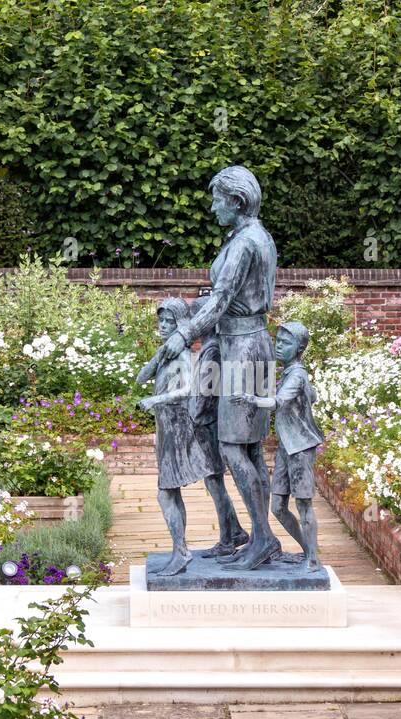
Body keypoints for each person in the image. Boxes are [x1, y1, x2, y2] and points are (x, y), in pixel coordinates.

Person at [157, 165, 281, 571]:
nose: (211, 208)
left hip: (243, 350)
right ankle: (246, 536)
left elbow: (222, 300)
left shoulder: (247, 242)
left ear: (237, 202)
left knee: (233, 445)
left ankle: (262, 538)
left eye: (216, 200)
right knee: (247, 448)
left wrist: (184, 333)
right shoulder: (251, 238)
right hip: (244, 345)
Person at [234, 321, 325, 573]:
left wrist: (251, 399)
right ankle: (307, 551)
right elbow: (312, 394)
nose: (279, 346)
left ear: (299, 348)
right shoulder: (292, 374)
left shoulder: (296, 374)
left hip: (301, 449)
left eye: (286, 343)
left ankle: (314, 560)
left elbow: (279, 401)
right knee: (277, 508)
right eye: (278, 340)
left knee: (303, 504)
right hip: (287, 447)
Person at [136, 298, 213, 576]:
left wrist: (155, 400)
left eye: (170, 322)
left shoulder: (183, 356)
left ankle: (181, 551)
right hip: (165, 426)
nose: (164, 326)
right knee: (168, 492)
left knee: (166, 492)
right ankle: (180, 549)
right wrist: (158, 355)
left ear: (180, 324)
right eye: (161, 321)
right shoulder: (168, 352)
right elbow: (140, 378)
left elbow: (189, 389)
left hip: (177, 426)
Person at [189, 299, 250, 558]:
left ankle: (228, 539)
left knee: (215, 482)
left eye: (196, 317)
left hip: (208, 424)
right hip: (208, 422)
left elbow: (205, 394)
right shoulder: (210, 347)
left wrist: (191, 417)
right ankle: (234, 530)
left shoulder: (212, 349)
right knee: (214, 482)